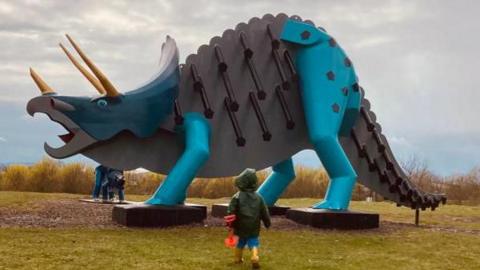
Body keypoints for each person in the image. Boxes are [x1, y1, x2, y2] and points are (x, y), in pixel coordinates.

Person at [227, 168, 271, 269]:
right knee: (253, 242)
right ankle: (255, 256)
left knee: (240, 242)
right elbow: (264, 212)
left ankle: (238, 259)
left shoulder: (236, 197)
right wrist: (267, 223)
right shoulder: (259, 197)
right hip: (253, 225)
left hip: (240, 225)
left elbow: (231, 211)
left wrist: (230, 225)